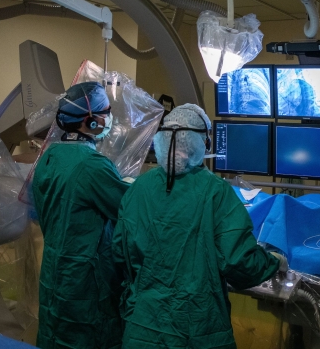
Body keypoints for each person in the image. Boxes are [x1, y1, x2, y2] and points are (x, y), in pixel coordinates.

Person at [112, 104, 284, 349]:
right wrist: (274, 261)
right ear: (204, 143)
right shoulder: (216, 193)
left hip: (143, 329)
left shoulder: (138, 189)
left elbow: (121, 253)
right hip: (196, 330)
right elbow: (240, 263)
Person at [32, 82, 130, 349]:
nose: (109, 118)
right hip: (86, 280)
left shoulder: (49, 158)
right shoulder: (92, 166)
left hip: (56, 273)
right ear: (91, 121)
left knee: (56, 335)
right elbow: (130, 210)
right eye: (107, 111)